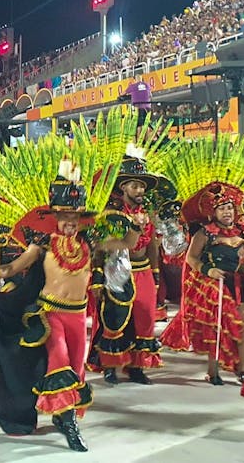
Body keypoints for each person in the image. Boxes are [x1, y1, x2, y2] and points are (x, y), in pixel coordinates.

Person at [0, 162, 140, 452]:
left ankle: (64, 416)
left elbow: (127, 244)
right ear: (55, 216)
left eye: (74, 216)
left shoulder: (91, 242)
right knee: (59, 363)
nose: (70, 221)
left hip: (78, 317)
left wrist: (136, 223)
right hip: (50, 315)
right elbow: (14, 267)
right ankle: (71, 428)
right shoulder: (44, 244)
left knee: (75, 370)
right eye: (64, 216)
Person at [162, 182, 244, 385]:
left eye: (229, 207)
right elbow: (191, 259)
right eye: (221, 208)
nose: (227, 212)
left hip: (241, 283)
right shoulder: (205, 233)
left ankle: (241, 369)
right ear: (213, 212)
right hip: (215, 284)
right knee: (217, 328)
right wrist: (209, 271)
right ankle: (213, 371)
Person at [88, 154, 164, 384]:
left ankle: (136, 368)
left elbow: (153, 245)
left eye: (142, 186)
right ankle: (110, 366)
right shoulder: (110, 214)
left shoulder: (147, 214)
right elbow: (99, 248)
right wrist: (98, 277)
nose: (140, 190)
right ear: (123, 188)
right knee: (115, 318)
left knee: (145, 317)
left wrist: (155, 274)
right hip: (116, 272)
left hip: (143, 270)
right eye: (135, 185)